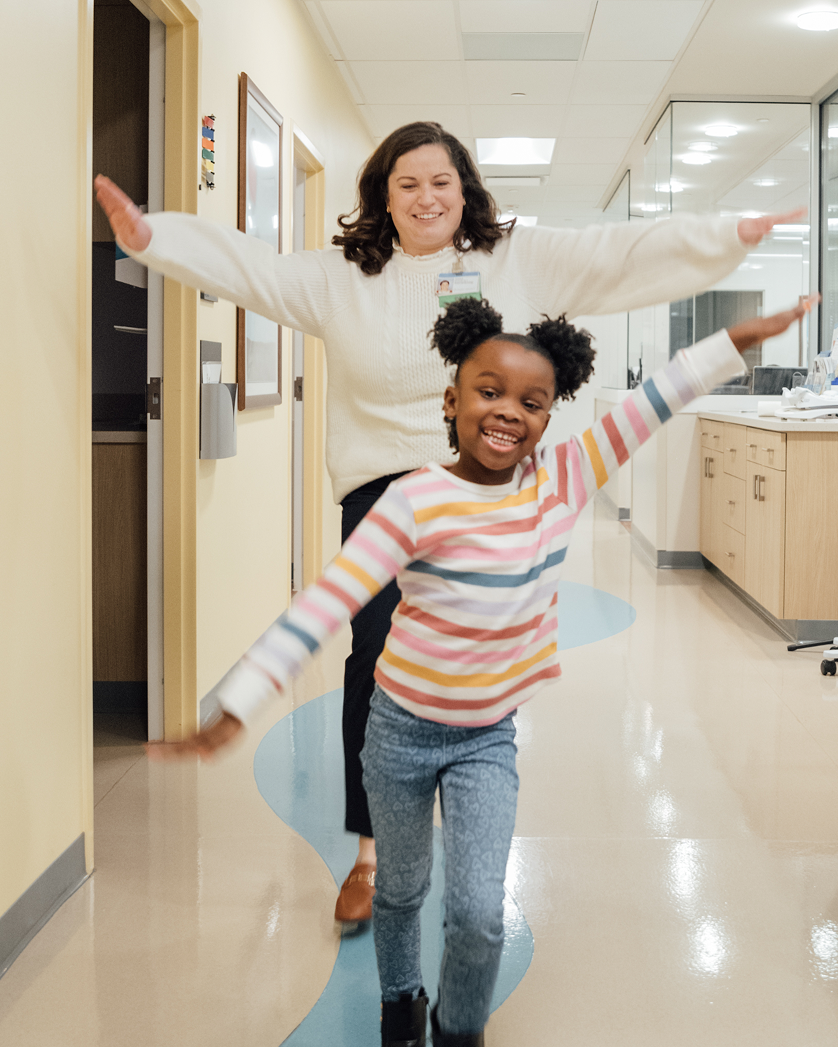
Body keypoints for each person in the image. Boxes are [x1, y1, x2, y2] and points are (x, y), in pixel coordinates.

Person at [94, 120, 804, 927]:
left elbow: (620, 253)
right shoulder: (339, 278)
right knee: (372, 654)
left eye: (440, 181)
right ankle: (371, 851)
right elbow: (251, 269)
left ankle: (467, 786)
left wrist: (728, 235)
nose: (426, 197)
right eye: (407, 184)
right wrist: (153, 238)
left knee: (469, 652)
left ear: (464, 189)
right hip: (381, 486)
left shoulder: (514, 258)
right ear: (382, 199)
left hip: (487, 484)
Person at [146, 294, 812, 1047]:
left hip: (485, 739)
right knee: (399, 891)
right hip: (396, 733)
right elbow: (330, 597)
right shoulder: (414, 498)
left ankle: (457, 1041)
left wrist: (736, 342)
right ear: (452, 401)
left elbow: (654, 401)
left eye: (532, 402)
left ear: (551, 416)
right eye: (488, 391)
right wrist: (242, 700)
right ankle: (401, 1025)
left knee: (477, 912)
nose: (508, 413)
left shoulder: (562, 479)